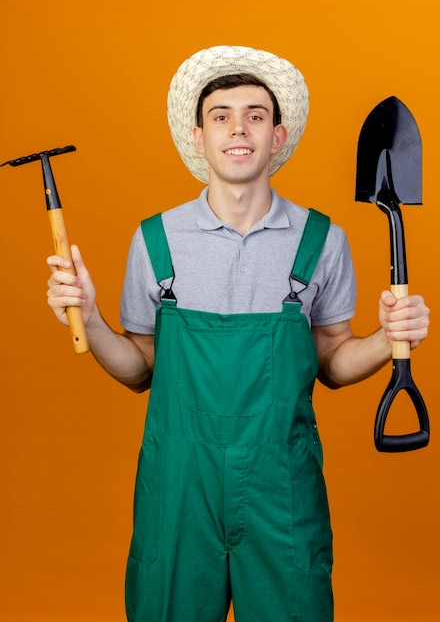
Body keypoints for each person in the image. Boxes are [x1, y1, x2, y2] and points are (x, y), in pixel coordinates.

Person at [46, 46, 429, 622]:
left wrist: (387, 338)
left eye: (255, 114)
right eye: (220, 115)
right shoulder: (156, 240)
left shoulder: (322, 240)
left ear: (277, 135)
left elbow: (332, 361)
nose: (238, 128)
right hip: (180, 489)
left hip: (282, 485)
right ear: (199, 137)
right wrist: (92, 317)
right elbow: (138, 370)